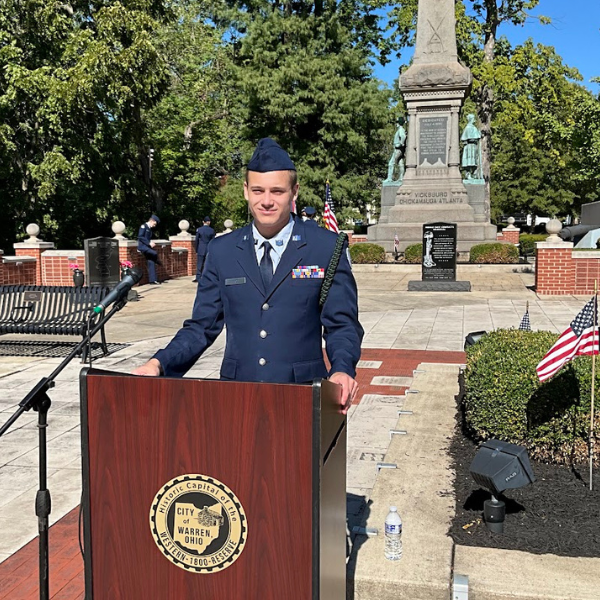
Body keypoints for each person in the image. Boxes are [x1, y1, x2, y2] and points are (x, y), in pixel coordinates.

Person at [133, 138, 363, 411]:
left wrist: (342, 368)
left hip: (302, 397)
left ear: (294, 192)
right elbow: (201, 327)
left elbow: (342, 324)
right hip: (235, 398)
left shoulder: (325, 247)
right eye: (258, 190)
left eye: (277, 191)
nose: (266, 201)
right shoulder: (222, 251)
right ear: (245, 191)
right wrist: (159, 363)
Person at [138, 214, 161, 284]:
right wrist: (149, 243)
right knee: (155, 253)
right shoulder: (143, 227)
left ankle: (152, 280)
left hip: (147, 247)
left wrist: (150, 242)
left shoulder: (149, 229)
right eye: (154, 224)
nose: (154, 226)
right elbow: (140, 237)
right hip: (143, 247)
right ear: (151, 221)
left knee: (151, 262)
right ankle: (158, 261)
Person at [384, 116, 406, 184]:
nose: (396, 124)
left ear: (399, 123)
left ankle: (389, 178)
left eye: (397, 122)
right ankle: (401, 178)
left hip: (397, 149)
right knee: (400, 163)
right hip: (400, 150)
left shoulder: (400, 130)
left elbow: (403, 136)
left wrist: (400, 144)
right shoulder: (401, 129)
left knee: (391, 163)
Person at [193, 216, 216, 282]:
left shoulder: (199, 230)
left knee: (199, 264)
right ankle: (206, 277)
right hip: (208, 249)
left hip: (201, 248)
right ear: (209, 222)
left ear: (203, 222)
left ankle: (198, 277)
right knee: (207, 264)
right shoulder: (211, 230)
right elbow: (213, 241)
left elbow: (196, 240)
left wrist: (196, 249)